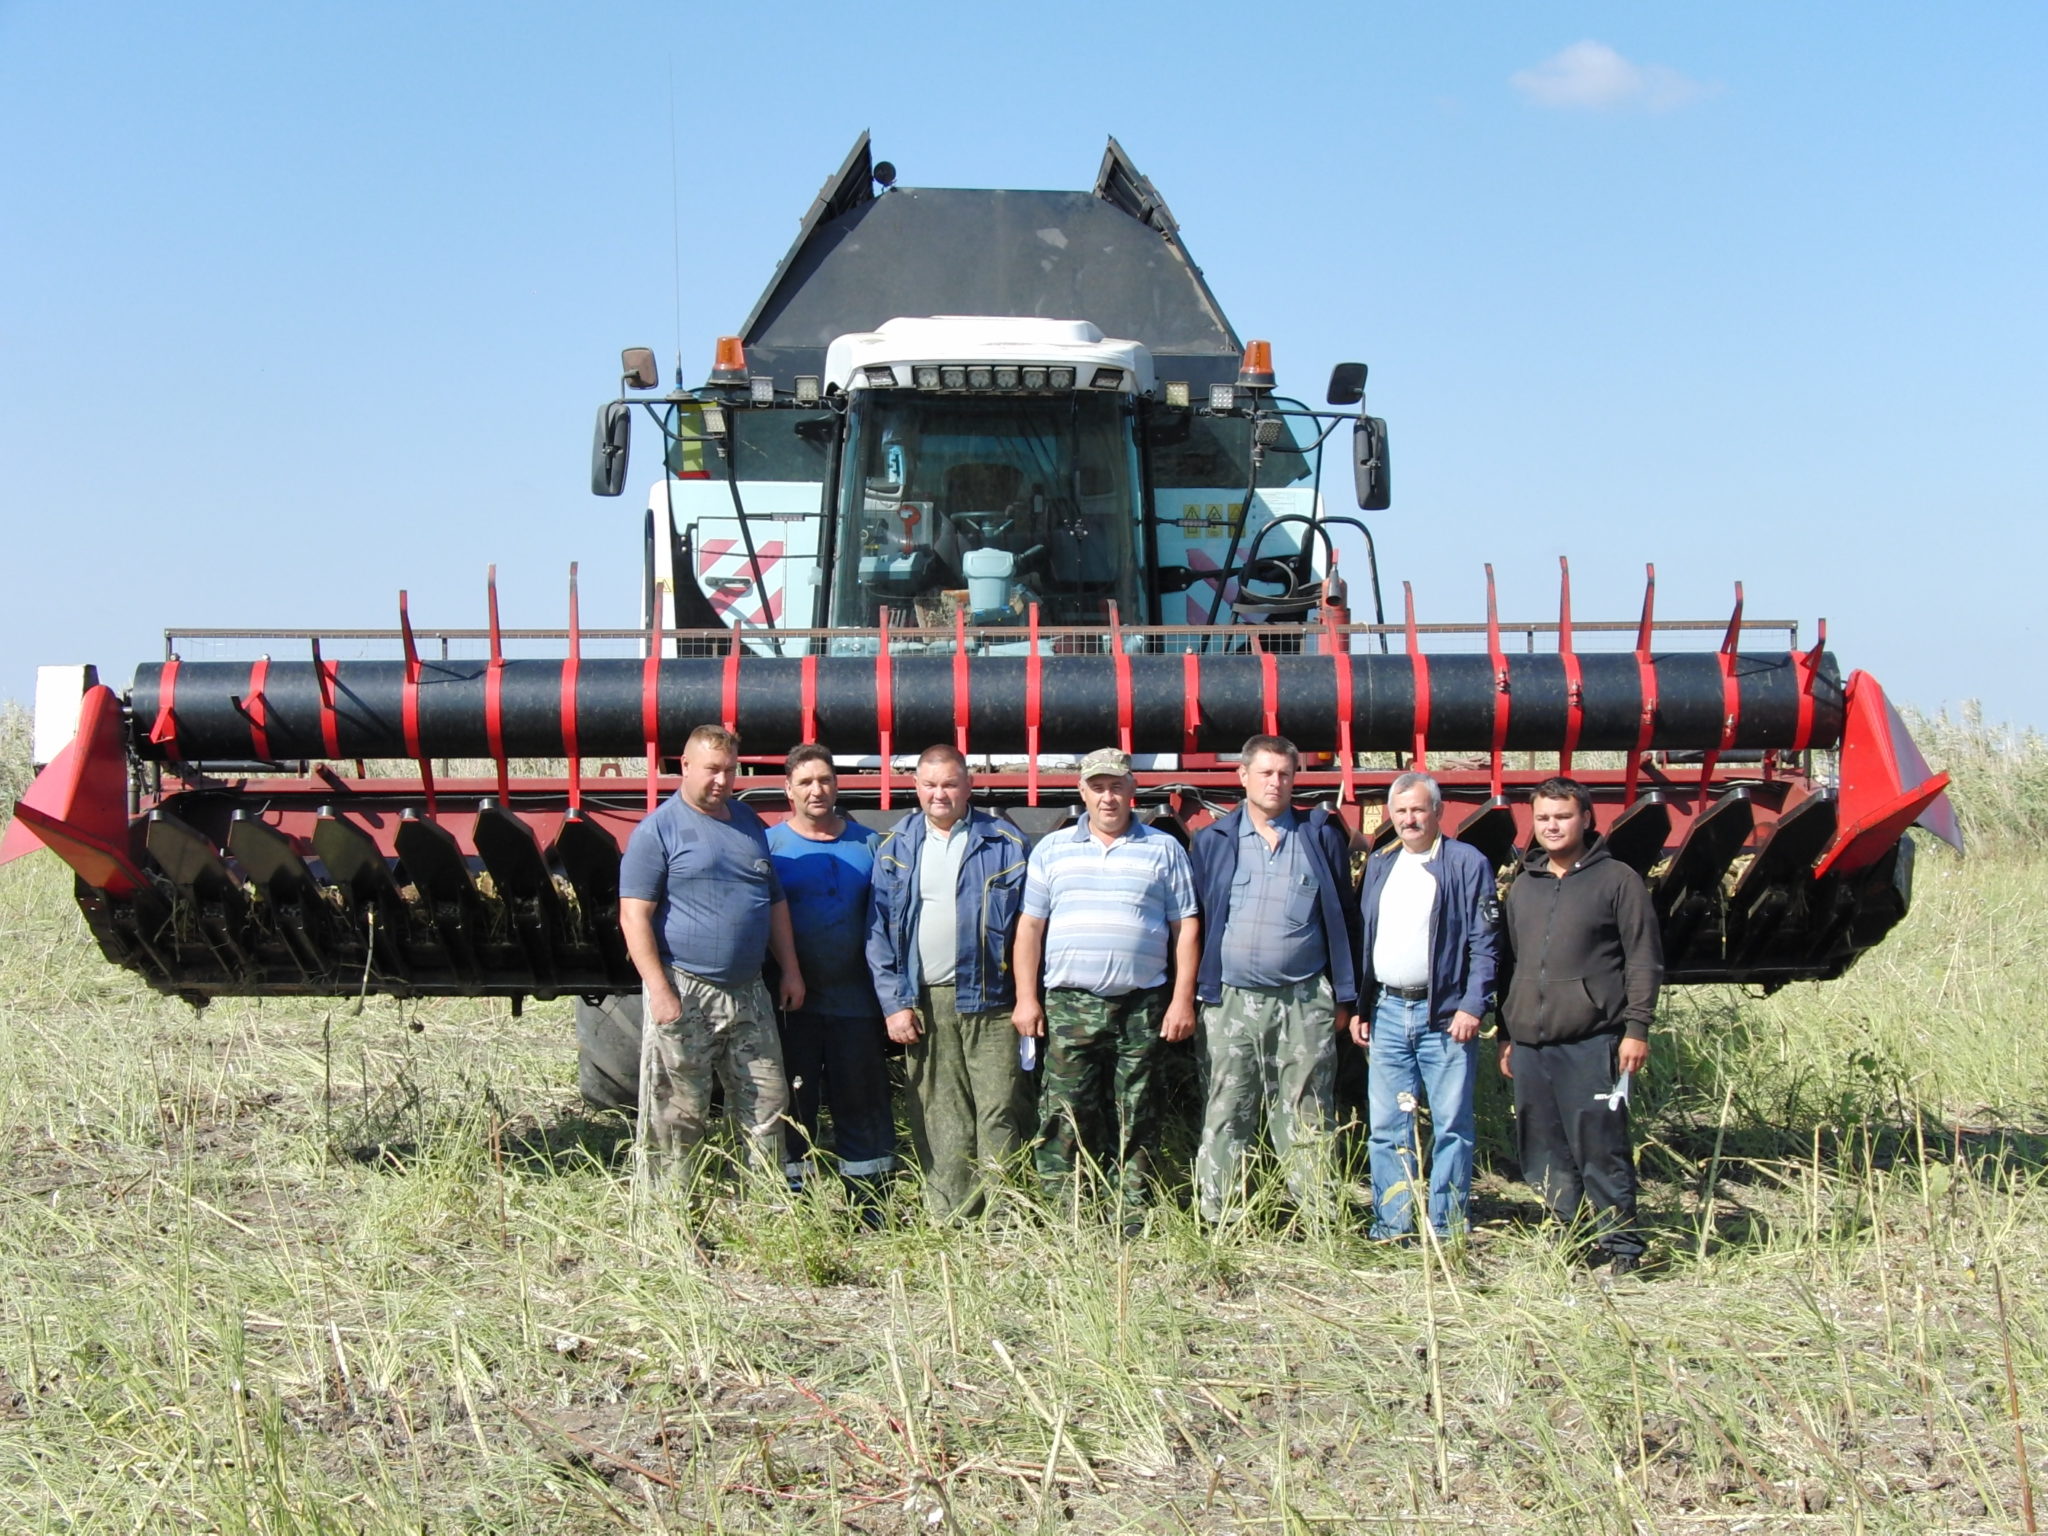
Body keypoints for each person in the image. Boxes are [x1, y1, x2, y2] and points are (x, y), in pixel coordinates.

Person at [1012, 748, 1200, 1223]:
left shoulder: (1163, 849)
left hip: (1142, 1005)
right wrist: (1027, 998)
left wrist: (1181, 1000)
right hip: (1070, 1004)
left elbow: (1187, 928)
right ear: (1082, 792)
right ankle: (1064, 1212)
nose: (1108, 797)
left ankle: (1132, 1213)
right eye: (1098, 787)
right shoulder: (1052, 851)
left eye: (1117, 786)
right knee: (1065, 1111)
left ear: (1132, 791)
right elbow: (1030, 928)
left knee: (1138, 1110)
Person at [618, 725, 803, 1185]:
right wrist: (661, 994)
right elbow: (633, 918)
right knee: (679, 1114)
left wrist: (791, 971)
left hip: (749, 992)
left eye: (730, 770)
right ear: (684, 766)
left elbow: (774, 901)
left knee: (766, 1104)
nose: (722, 780)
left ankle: (763, 1216)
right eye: (712, 770)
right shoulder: (657, 830)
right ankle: (673, 1221)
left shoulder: (747, 824)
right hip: (685, 989)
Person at [1189, 734, 1362, 1224]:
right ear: (1242, 776)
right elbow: (1194, 921)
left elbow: (1343, 917)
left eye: (1284, 774)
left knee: (1308, 1111)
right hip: (1229, 1000)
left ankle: (1318, 1221)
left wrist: (1344, 995)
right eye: (1264, 772)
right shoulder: (1214, 841)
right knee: (1227, 1109)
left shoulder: (1320, 836)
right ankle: (1219, 1220)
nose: (1275, 782)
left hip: (1303, 998)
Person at [1499, 775, 1663, 1273]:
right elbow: (1509, 962)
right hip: (1528, 1043)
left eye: (1563, 816)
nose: (1552, 826)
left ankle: (1622, 1249)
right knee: (1542, 1149)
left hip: (1593, 1041)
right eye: (1543, 817)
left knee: (1600, 1146)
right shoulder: (1523, 884)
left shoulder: (1618, 881)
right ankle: (1568, 1238)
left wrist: (1637, 1029)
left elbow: (1643, 959)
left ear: (1587, 819)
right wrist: (1506, 1033)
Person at [866, 745, 1031, 1219]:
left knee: (1000, 1108)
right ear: (915, 786)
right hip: (925, 1000)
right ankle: (950, 1216)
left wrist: (1026, 997)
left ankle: (1005, 1217)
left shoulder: (1005, 843)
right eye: (930, 784)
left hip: (992, 999)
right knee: (939, 1111)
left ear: (969, 785)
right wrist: (894, 1004)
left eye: (949, 783)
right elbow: (876, 932)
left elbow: (1029, 927)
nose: (940, 793)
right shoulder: (894, 848)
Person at [1352, 772, 1501, 1242]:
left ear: (1438, 812)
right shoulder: (1380, 863)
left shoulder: (1466, 863)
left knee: (1451, 1125)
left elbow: (1486, 943)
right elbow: (1366, 939)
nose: (1409, 819)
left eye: (1417, 810)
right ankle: (1392, 1225)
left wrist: (1472, 1005)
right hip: (1389, 1012)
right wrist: (1363, 1005)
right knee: (1387, 1127)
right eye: (1400, 812)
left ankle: (1446, 1225)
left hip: (1445, 1016)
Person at [766, 744, 895, 1214]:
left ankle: (872, 1206)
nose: (816, 790)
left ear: (837, 786)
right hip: (792, 1003)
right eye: (805, 782)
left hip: (856, 1002)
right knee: (793, 1106)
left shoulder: (868, 844)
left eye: (824, 780)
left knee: (862, 1102)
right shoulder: (771, 846)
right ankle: (796, 1205)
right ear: (788, 790)